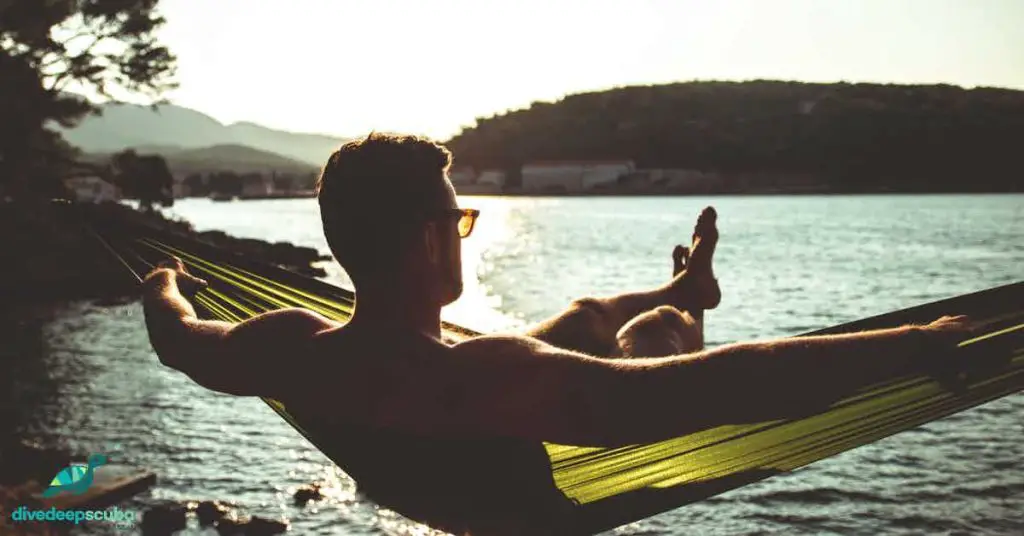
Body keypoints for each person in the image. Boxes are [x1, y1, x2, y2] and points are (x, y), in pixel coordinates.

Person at [142, 133, 974, 535]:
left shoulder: (288, 345)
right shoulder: (488, 375)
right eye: (458, 216)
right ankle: (682, 305)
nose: (462, 229)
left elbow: (178, 336)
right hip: (516, 493)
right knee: (654, 335)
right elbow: (727, 384)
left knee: (580, 317)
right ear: (429, 237)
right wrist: (918, 342)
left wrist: (161, 275)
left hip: (425, 458)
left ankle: (682, 286)